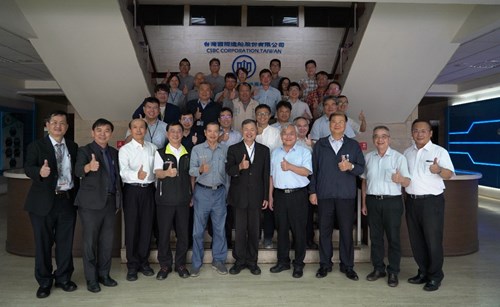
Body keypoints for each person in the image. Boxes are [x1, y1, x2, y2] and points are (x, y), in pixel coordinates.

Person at [24, 110, 79, 299]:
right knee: (43, 244)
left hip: (66, 200)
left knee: (65, 243)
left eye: (62, 123)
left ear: (67, 127)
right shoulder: (36, 146)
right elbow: (28, 167)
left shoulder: (73, 146)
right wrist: (39, 171)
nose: (58, 126)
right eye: (54, 122)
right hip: (42, 203)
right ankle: (45, 282)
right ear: (47, 125)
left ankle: (63, 278)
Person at [309, 112, 365, 281]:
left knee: (346, 232)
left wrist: (351, 166)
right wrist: (313, 191)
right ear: (329, 124)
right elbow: (314, 171)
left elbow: (361, 169)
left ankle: (347, 265)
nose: (337, 124)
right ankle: (325, 264)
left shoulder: (353, 145)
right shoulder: (320, 144)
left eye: (341, 122)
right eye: (334, 121)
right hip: (325, 195)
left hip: (346, 196)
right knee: (324, 232)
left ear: (346, 124)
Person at [404, 119, 455, 292]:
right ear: (412, 133)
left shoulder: (439, 151)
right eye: (416, 131)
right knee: (416, 240)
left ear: (430, 133)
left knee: (433, 241)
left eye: (423, 131)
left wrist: (439, 170)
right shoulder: (407, 152)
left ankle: (435, 276)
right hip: (411, 200)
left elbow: (450, 175)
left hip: (431, 202)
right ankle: (423, 272)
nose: (419, 134)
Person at [75, 118, 121, 293]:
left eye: (107, 130)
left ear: (111, 133)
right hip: (90, 205)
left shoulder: (114, 152)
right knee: (90, 243)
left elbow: (117, 178)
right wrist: (88, 167)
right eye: (99, 130)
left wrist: (118, 201)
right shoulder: (84, 151)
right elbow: (77, 170)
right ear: (92, 133)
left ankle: (104, 275)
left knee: (106, 242)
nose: (103, 134)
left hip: (109, 203)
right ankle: (91, 279)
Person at [361, 126, 411, 288]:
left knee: (393, 238)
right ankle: (378, 268)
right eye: (376, 136)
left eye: (383, 136)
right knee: (375, 238)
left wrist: (400, 179)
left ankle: (394, 271)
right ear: (373, 139)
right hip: (372, 201)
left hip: (392, 202)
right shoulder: (368, 157)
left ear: (389, 139)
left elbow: (408, 182)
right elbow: (364, 182)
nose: (380, 139)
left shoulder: (398, 158)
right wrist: (364, 203)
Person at [226, 119, 270, 275]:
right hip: (239, 197)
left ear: (256, 131)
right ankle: (239, 261)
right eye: (246, 129)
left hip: (257, 197)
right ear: (242, 131)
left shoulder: (264, 150)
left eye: (252, 129)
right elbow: (229, 170)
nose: (249, 132)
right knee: (239, 231)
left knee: (254, 230)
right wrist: (239, 166)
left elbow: (266, 174)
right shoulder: (233, 149)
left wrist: (265, 196)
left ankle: (252, 261)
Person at [269, 124, 312, 278]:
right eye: (285, 134)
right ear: (281, 137)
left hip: (298, 195)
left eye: (291, 134)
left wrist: (290, 167)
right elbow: (271, 176)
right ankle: (283, 261)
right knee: (281, 230)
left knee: (299, 230)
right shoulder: (275, 153)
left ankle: (299, 264)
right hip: (280, 195)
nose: (288, 136)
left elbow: (307, 172)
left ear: (296, 135)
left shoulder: (304, 152)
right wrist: (270, 195)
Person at [119, 118, 157, 282]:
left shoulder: (153, 148)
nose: (139, 130)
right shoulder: (125, 150)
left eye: (142, 127)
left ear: (146, 130)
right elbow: (123, 172)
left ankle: (143, 262)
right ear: (130, 130)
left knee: (146, 227)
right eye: (135, 127)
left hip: (149, 190)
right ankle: (132, 265)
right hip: (132, 190)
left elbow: (157, 170)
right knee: (132, 227)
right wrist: (137, 175)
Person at [189, 122, 228, 277]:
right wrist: (200, 169)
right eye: (209, 131)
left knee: (219, 229)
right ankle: (196, 263)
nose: (213, 134)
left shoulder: (225, 149)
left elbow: (228, 174)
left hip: (219, 192)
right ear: (205, 132)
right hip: (202, 192)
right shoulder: (197, 149)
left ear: (219, 133)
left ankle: (218, 260)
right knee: (197, 231)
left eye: (216, 131)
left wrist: (227, 193)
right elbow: (191, 170)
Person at [154, 122, 192, 280]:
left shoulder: (188, 152)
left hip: (183, 200)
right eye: (172, 131)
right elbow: (157, 173)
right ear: (167, 134)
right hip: (165, 201)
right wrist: (167, 173)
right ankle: (165, 265)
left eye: (178, 131)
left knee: (183, 234)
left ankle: (181, 264)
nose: (176, 134)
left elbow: (192, 176)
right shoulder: (160, 153)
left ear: (183, 134)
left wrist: (191, 195)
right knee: (163, 235)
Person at [254, 104, 281, 249]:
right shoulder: (251, 130)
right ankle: (256, 236)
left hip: (270, 174)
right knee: (255, 208)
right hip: (254, 175)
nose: (262, 116)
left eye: (265, 113)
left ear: (270, 115)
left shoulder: (276, 132)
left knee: (269, 207)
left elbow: (277, 153)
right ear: (255, 115)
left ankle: (268, 237)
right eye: (259, 113)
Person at [293, 116, 317, 249]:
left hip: (309, 181)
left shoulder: (312, 143)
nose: (302, 128)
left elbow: (317, 163)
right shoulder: (290, 141)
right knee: (296, 214)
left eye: (305, 126)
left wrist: (312, 146)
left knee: (308, 213)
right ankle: (296, 241)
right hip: (294, 180)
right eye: (299, 126)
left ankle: (309, 239)